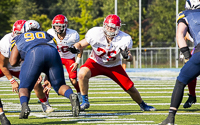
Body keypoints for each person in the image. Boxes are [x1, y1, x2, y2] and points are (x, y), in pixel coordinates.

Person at [68, 14, 156, 111]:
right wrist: (75, 47)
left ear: (118, 28)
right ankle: (84, 101)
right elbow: (80, 44)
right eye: (108, 27)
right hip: (95, 62)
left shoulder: (124, 39)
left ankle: (142, 105)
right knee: (82, 74)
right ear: (104, 25)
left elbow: (130, 58)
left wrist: (127, 56)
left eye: (113, 28)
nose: (110, 29)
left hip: (114, 66)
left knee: (130, 87)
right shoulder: (95, 33)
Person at [9, 20, 80, 119]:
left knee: (24, 86)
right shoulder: (47, 34)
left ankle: (24, 106)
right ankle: (71, 95)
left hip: (34, 53)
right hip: (53, 53)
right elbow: (54, 50)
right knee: (60, 85)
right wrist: (48, 75)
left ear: (24, 29)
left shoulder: (19, 37)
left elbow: (12, 62)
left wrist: (22, 58)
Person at [0, 20, 54, 114]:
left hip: (22, 67)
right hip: (6, 66)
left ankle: (44, 103)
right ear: (13, 32)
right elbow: (2, 65)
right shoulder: (5, 42)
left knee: (36, 83)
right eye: (17, 34)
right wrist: (12, 81)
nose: (19, 36)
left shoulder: (32, 41)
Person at [159, 0, 200, 124]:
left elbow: (180, 35)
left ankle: (170, 118)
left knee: (181, 80)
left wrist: (187, 56)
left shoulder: (185, 14)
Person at [47, 14, 83, 102]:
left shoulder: (73, 34)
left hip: (69, 58)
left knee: (73, 80)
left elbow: (80, 48)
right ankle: (44, 98)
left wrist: (77, 62)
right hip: (56, 58)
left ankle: (80, 93)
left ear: (65, 26)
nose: (58, 28)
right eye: (56, 26)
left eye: (60, 26)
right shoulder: (50, 33)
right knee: (48, 79)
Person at [180, 33, 197, 109]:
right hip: (197, 51)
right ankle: (192, 96)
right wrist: (183, 51)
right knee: (190, 72)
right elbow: (185, 35)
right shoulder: (193, 24)